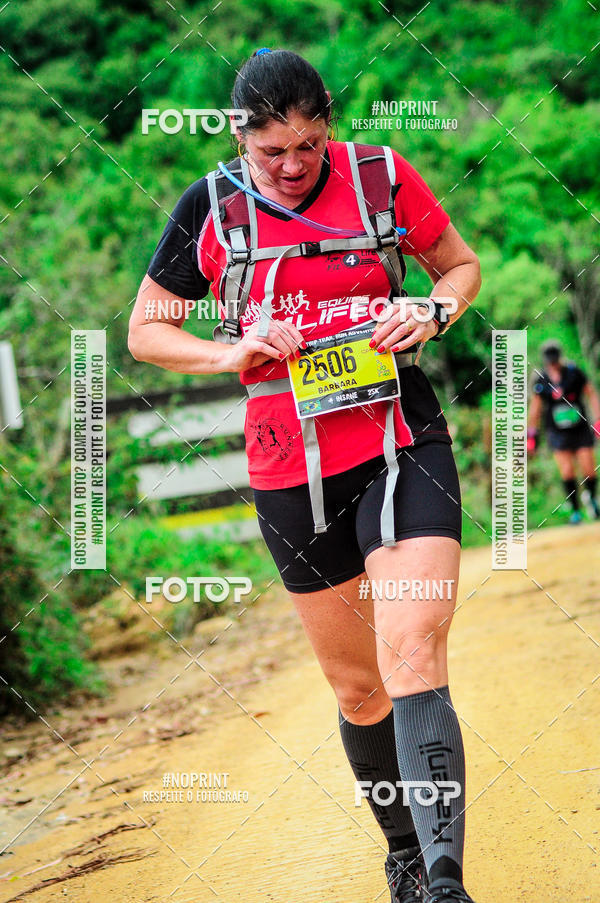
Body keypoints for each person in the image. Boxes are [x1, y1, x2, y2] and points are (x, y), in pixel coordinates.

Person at [129, 48, 482, 903]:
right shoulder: (209, 207)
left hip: (401, 437)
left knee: (412, 647)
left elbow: (459, 267)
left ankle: (443, 881)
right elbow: (146, 328)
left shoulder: (380, 178)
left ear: (329, 125)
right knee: (359, 686)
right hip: (291, 466)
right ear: (238, 137)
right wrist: (229, 351)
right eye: (271, 153)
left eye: (308, 146)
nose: (292, 167)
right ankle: (402, 847)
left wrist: (430, 308)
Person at [528, 340, 600, 523]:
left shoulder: (574, 373)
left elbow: (591, 394)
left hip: (580, 429)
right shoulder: (540, 380)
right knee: (567, 471)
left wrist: (598, 421)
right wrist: (531, 435)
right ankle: (575, 511)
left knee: (588, 469)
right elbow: (535, 408)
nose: (553, 364)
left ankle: (591, 499)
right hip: (557, 432)